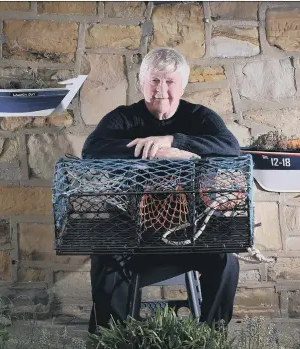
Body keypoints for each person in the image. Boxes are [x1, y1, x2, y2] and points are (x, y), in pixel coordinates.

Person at [81, 47, 242, 334]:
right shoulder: (123, 118)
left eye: (170, 82)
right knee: (104, 255)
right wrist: (152, 151)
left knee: (226, 259)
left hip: (190, 232)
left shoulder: (199, 117)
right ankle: (110, 344)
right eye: (154, 81)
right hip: (134, 233)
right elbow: (92, 151)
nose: (161, 89)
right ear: (142, 83)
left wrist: (175, 142)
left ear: (182, 85)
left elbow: (230, 148)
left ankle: (210, 340)